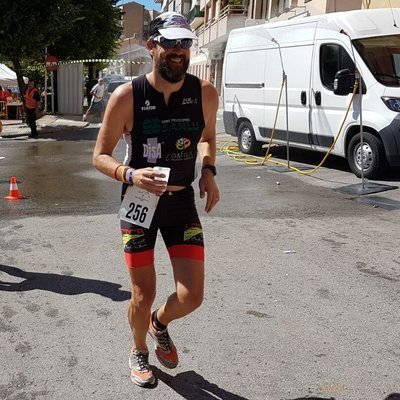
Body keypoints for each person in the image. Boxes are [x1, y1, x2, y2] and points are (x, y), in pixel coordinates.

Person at [93, 11, 220, 388]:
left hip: (181, 203)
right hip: (139, 202)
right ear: (152, 46)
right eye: (170, 42)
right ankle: (138, 351)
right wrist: (130, 174)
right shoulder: (127, 96)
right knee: (142, 291)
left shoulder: (205, 93)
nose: (179, 50)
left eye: (185, 43)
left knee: (192, 295)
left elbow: (208, 138)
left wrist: (209, 170)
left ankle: (158, 323)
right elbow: (99, 156)